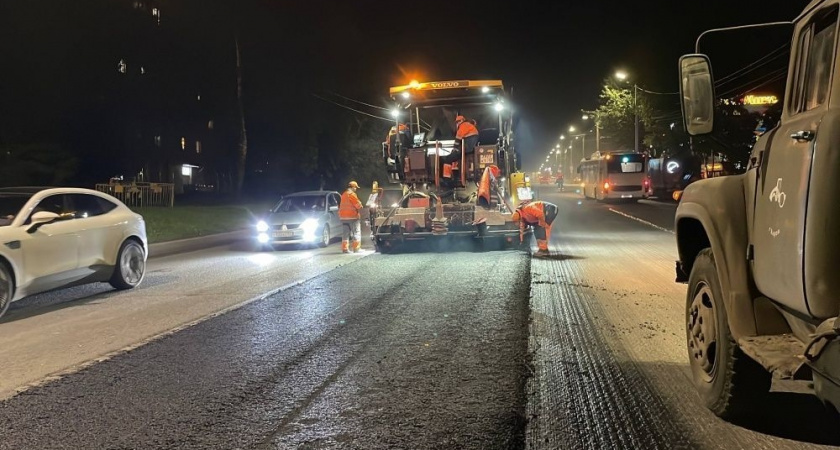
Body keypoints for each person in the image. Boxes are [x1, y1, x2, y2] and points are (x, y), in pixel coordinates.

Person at [339, 181, 364, 253]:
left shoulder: (343, 194)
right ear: (353, 187)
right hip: (352, 217)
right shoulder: (352, 194)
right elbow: (358, 205)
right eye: (355, 187)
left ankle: (345, 249)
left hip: (343, 217)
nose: (356, 189)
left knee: (345, 233)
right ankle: (356, 248)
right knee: (356, 232)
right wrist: (361, 205)